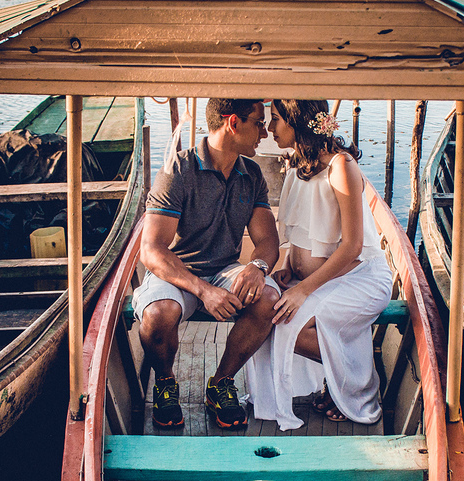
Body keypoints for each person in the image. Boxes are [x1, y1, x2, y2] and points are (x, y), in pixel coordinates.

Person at [134, 98, 281, 429]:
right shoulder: (178, 170)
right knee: (159, 313)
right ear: (233, 123)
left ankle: (221, 383)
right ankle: (166, 383)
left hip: (224, 269)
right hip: (178, 272)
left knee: (269, 300)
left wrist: (257, 267)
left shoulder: (251, 173)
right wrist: (203, 291)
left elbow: (269, 240)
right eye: (258, 122)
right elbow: (153, 250)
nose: (264, 132)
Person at [246, 100, 393, 430]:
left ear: (297, 123)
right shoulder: (298, 163)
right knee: (269, 314)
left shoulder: (341, 166)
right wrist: (288, 263)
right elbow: (301, 228)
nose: (270, 129)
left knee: (286, 324)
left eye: (276, 120)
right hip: (318, 279)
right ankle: (336, 382)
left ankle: (357, 383)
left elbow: (353, 245)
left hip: (359, 277)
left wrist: (302, 290)